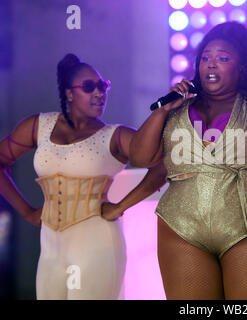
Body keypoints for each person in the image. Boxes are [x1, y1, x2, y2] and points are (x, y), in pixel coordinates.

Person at [130, 22, 247, 299]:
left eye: (223, 58)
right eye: (206, 58)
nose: (211, 65)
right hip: (182, 228)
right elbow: (139, 157)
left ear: (242, 67)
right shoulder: (177, 109)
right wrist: (163, 110)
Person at [0, 53, 167, 299]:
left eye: (103, 86)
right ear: (69, 93)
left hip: (98, 245)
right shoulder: (38, 126)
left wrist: (121, 206)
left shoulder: (115, 136)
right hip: (50, 250)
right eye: (90, 87)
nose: (100, 93)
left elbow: (162, 165)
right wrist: (26, 211)